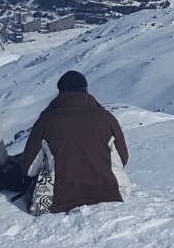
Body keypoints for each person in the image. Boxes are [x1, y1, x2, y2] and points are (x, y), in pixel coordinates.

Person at [21, 71, 131, 214]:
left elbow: (29, 169)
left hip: (59, 199)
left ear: (60, 93)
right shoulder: (106, 118)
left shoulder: (46, 120)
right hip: (112, 192)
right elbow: (123, 159)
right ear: (86, 90)